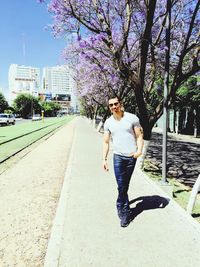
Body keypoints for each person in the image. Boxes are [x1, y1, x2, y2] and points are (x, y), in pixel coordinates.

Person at [102, 96, 144, 227]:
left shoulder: (132, 118)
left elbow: (139, 136)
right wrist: (104, 159)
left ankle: (120, 203)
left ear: (120, 104)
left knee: (125, 185)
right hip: (118, 157)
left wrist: (139, 151)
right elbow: (106, 142)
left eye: (116, 104)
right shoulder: (108, 122)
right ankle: (125, 213)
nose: (114, 107)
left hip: (131, 157)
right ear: (109, 107)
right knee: (121, 185)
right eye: (111, 105)